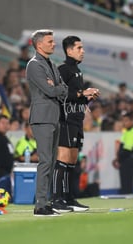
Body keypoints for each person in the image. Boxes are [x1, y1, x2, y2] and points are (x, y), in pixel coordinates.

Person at [52, 35, 100, 212]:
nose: (83, 51)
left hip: (76, 121)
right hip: (65, 120)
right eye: (79, 48)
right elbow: (60, 94)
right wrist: (82, 93)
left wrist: (87, 98)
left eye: (82, 47)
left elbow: (75, 97)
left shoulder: (77, 71)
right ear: (69, 50)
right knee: (62, 158)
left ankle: (69, 198)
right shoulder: (63, 70)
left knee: (72, 161)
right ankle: (56, 199)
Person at [25, 29, 68, 216]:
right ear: (39, 44)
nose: (54, 44)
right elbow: (50, 91)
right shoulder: (34, 65)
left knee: (50, 162)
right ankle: (40, 205)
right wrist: (57, 88)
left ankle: (46, 201)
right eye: (50, 41)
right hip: (42, 117)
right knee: (45, 161)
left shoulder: (50, 64)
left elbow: (63, 88)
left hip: (53, 116)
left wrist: (57, 87)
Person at [113, 112, 133, 194]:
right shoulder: (127, 131)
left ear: (132, 121)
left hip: (128, 161)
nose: (124, 123)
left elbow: (127, 150)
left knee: (127, 183)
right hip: (125, 160)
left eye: (126, 121)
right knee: (125, 182)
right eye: (123, 121)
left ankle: (128, 198)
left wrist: (119, 158)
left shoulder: (132, 132)